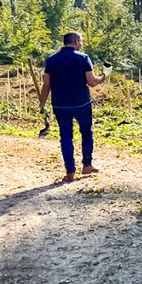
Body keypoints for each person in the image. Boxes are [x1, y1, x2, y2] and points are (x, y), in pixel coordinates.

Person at [39, 32, 109, 183]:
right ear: (76, 41)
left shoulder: (51, 60)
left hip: (60, 104)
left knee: (65, 137)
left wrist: (42, 103)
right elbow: (91, 82)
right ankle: (87, 165)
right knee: (86, 132)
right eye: (81, 41)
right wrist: (104, 75)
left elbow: (47, 84)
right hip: (81, 103)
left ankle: (70, 171)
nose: (81, 43)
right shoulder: (83, 58)